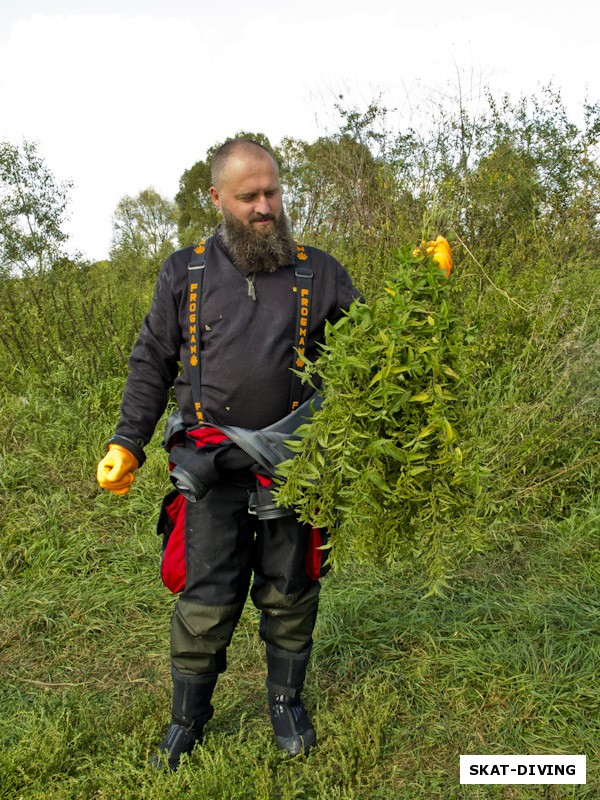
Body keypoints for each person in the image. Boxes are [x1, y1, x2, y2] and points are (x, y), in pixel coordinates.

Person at [96, 138, 362, 770]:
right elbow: (150, 363)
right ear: (216, 198)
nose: (265, 207)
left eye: (272, 192)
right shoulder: (182, 272)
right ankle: (188, 717)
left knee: (291, 591)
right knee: (205, 599)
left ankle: (285, 703)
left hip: (296, 467)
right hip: (208, 466)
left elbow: (371, 358)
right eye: (249, 197)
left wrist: (424, 298)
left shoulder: (318, 271)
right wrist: (126, 441)